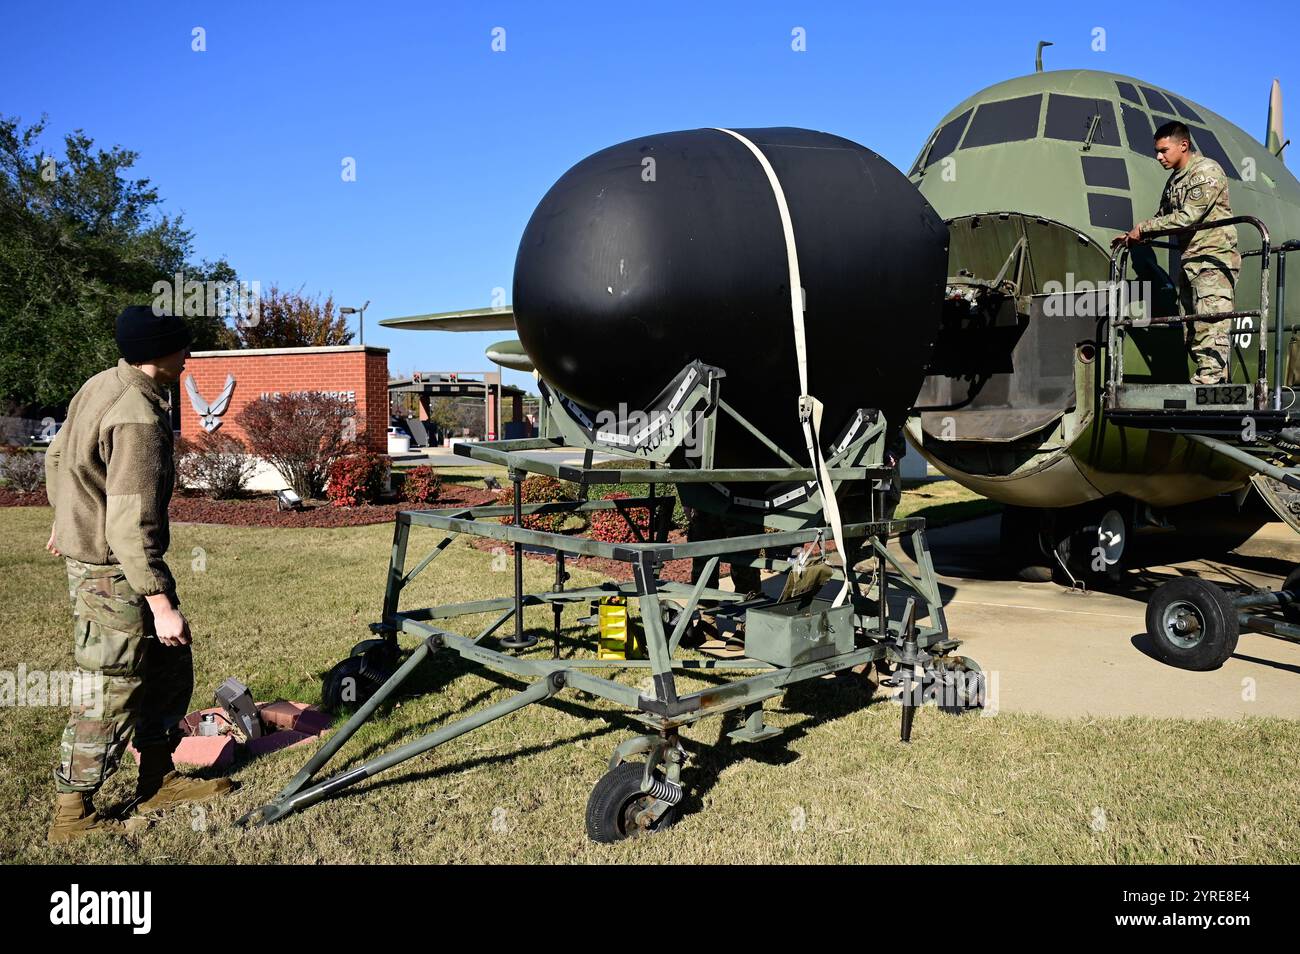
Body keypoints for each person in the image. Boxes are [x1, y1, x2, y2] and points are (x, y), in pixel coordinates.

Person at [44, 305, 234, 844]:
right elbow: (130, 522)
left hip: (110, 560)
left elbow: (58, 457)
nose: (189, 357)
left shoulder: (102, 383)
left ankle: (157, 778)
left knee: (168, 670)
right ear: (161, 354)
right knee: (112, 687)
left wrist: (66, 519)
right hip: (115, 572)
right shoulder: (140, 418)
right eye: (183, 348)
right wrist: (160, 602)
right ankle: (72, 811)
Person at [1114, 120, 1241, 385]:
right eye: (1157, 152)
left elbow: (1188, 217)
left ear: (1184, 145)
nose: (1159, 157)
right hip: (1190, 261)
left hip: (1212, 260)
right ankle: (1207, 375)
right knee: (1192, 324)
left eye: (1163, 150)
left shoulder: (1206, 171)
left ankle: (1212, 380)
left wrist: (1144, 229)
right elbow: (1163, 217)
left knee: (1211, 318)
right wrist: (1132, 236)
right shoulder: (1175, 182)